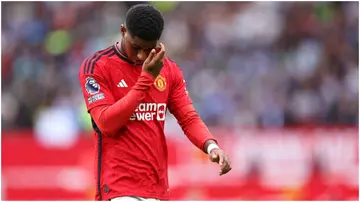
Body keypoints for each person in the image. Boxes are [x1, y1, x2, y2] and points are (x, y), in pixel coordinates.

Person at [78, 4, 232, 201]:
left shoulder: (169, 70)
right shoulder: (97, 66)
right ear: (123, 31)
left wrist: (211, 146)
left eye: (149, 49)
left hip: (156, 187)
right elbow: (106, 123)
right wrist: (146, 79)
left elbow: (188, 118)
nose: (142, 55)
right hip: (118, 187)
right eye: (136, 47)